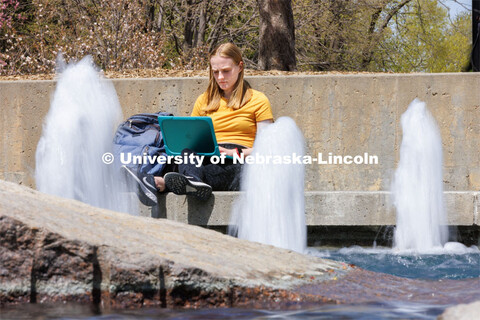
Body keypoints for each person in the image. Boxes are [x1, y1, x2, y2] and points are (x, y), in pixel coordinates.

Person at [123, 42, 273, 205]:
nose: (220, 77)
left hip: (238, 160)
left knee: (208, 168)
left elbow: (267, 148)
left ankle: (160, 182)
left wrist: (231, 153)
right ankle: (186, 182)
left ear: (240, 67)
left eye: (226, 71)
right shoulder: (204, 100)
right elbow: (190, 139)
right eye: (215, 72)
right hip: (206, 157)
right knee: (186, 152)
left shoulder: (258, 100)